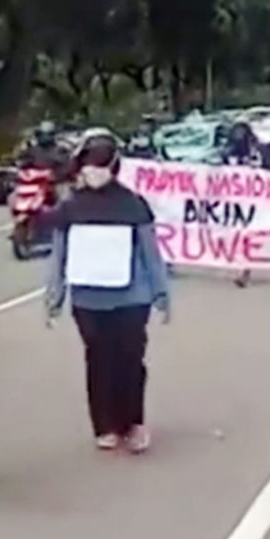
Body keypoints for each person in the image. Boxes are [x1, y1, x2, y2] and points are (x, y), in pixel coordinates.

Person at [46, 130, 170, 454]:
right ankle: (105, 426)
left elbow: (150, 253)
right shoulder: (70, 207)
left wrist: (161, 294)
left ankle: (134, 423)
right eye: (88, 165)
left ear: (113, 166)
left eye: (100, 165)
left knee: (130, 359)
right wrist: (54, 298)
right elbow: (58, 256)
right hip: (88, 300)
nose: (93, 171)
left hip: (132, 298)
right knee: (98, 360)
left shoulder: (134, 205)